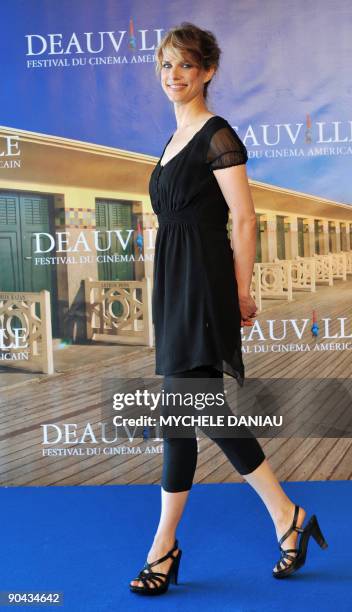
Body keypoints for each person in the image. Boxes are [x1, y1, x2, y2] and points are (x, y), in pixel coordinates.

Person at [129, 22, 327, 596]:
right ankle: (288, 517)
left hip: (206, 283)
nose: (174, 76)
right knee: (196, 415)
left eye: (186, 66)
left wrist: (241, 291)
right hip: (176, 285)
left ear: (208, 71)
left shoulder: (218, 134)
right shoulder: (168, 142)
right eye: (166, 66)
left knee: (185, 415)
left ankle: (164, 549)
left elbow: (242, 219)